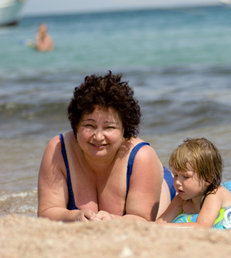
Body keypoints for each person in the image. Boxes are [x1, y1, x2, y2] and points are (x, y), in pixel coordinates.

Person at [38, 71, 175, 222]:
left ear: (124, 129)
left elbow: (143, 221)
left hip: (148, 178)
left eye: (109, 127)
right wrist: (74, 216)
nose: (98, 137)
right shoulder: (59, 148)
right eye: (89, 125)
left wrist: (113, 220)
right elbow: (46, 212)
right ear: (76, 125)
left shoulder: (142, 156)